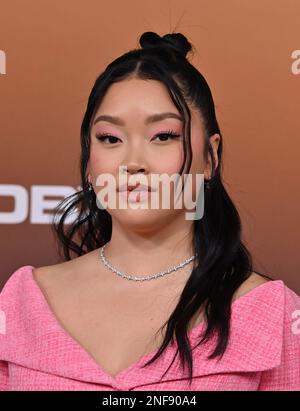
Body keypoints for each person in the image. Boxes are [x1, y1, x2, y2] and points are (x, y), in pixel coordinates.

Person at [1, 31, 300, 391]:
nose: (132, 163)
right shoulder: (23, 303)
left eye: (163, 136)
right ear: (88, 163)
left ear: (210, 157)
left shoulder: (271, 314)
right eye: (110, 138)